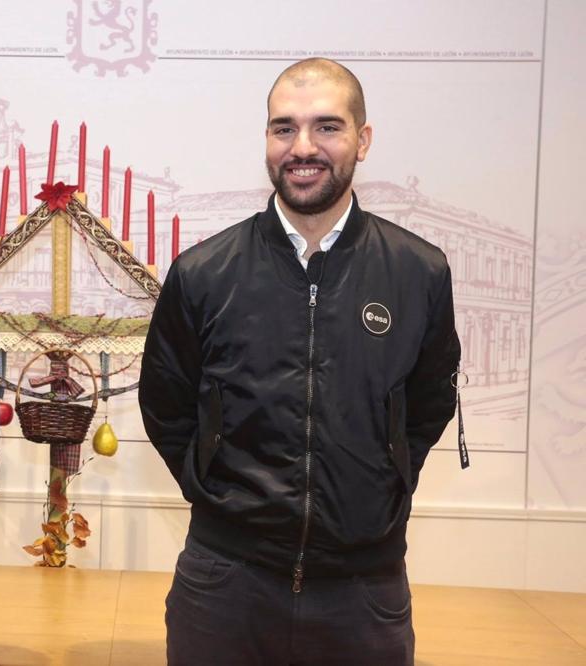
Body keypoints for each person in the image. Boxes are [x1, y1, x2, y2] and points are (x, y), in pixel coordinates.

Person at [138, 58, 461, 665]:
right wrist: (211, 489)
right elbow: (165, 401)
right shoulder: (204, 273)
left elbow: (428, 404)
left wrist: (384, 485)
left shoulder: (420, 272)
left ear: (363, 141)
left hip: (365, 592)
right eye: (283, 128)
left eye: (327, 127)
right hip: (224, 585)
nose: (302, 147)